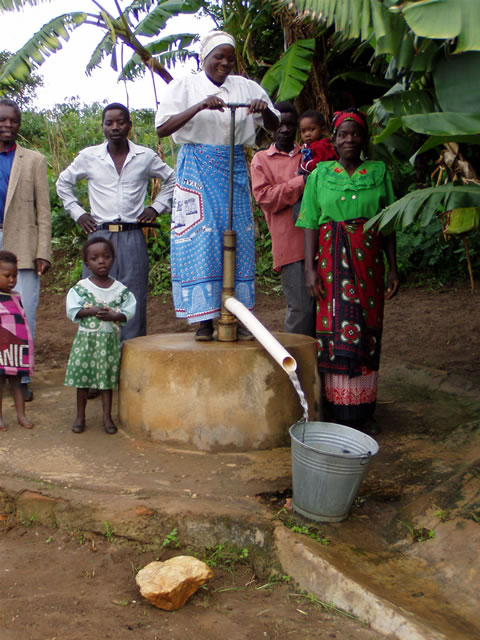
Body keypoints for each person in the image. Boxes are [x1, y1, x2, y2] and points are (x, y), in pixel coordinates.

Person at [155, 30, 279, 341]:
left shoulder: (246, 86)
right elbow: (161, 128)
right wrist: (198, 106)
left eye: (229, 58)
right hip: (196, 165)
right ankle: (204, 320)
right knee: (201, 237)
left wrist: (264, 110)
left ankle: (238, 312)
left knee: (239, 236)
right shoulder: (184, 86)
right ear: (203, 58)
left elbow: (277, 126)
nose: (223, 63)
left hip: (234, 164)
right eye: (217, 57)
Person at [296, 109, 400, 434]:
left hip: (369, 262)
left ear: (364, 138)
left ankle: (363, 410)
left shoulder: (379, 172)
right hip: (329, 262)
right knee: (332, 331)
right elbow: (311, 222)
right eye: (343, 134)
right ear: (335, 139)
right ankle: (337, 408)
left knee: (368, 326)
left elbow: (389, 224)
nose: (349, 139)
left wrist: (393, 267)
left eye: (355, 134)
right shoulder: (320, 174)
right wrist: (309, 270)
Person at [56, 102, 175, 342]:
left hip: (132, 234)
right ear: (102, 127)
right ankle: (97, 352)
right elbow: (63, 183)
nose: (115, 127)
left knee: (133, 293)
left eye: (121, 122)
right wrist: (78, 213)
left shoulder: (144, 157)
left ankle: (131, 354)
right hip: (99, 236)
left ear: (129, 125)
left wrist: (156, 207)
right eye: (109, 122)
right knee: (95, 292)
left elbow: (172, 179)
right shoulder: (90, 157)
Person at [0, 98, 51, 402]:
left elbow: (43, 211)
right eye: (2, 120)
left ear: (19, 123)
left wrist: (42, 250)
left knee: (23, 314)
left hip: (22, 245)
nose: (7, 125)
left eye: (13, 120)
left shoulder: (33, 160)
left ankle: (22, 375)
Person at [250, 102, 315, 337]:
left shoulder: (309, 154)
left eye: (290, 124)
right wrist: (301, 182)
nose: (285, 129)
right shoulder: (261, 160)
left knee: (326, 308)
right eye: (279, 123)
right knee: (301, 310)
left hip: (322, 241)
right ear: (270, 127)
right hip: (291, 245)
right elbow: (265, 197)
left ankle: (326, 371)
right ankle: (293, 369)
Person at [64, 237, 136, 435]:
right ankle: (80, 416)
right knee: (83, 381)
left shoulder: (120, 290)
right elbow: (72, 309)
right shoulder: (81, 288)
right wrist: (89, 311)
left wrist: (115, 315)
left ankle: (107, 417)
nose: (101, 261)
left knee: (106, 381)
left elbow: (129, 310)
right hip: (85, 342)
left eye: (106, 256)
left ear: (113, 259)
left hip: (108, 343)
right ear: (87, 263)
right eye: (95, 258)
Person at [0, 250, 34, 430]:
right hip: (1, 350)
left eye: (14, 275)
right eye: (7, 276)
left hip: (16, 350)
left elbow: (21, 322)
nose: (12, 279)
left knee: (17, 384)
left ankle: (21, 415)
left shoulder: (16, 296)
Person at [298, 109, 338, 174]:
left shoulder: (321, 146)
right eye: (303, 131)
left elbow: (318, 163)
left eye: (311, 130)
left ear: (322, 130)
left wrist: (306, 165)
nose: (307, 134)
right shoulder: (307, 146)